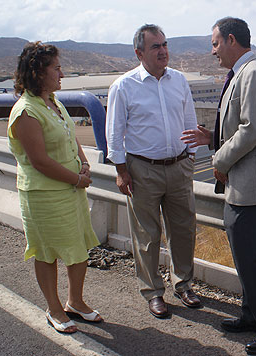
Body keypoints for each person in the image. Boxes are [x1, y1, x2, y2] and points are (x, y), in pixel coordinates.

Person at [181, 17, 256, 355]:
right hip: (246, 183)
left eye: (215, 43)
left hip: (253, 184)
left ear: (231, 40)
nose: (212, 51)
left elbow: (252, 129)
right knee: (252, 255)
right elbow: (238, 126)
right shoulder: (242, 73)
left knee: (248, 258)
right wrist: (213, 139)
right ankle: (252, 314)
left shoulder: (254, 72)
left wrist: (219, 160)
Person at [105, 24, 200, 319]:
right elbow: (114, 132)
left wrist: (190, 156)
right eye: (155, 46)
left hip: (178, 167)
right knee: (147, 235)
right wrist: (121, 170)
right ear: (139, 52)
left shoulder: (179, 80)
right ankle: (152, 291)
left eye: (165, 44)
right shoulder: (124, 86)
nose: (163, 51)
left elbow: (189, 118)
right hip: (142, 170)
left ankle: (183, 284)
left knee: (183, 230)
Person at [7, 42, 101, 334]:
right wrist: (76, 179)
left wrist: (84, 164)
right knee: (47, 252)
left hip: (71, 191)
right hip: (44, 195)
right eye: (56, 68)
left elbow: (70, 138)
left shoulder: (54, 102)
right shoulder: (26, 111)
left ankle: (76, 301)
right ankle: (54, 308)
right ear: (38, 72)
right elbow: (40, 161)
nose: (62, 73)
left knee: (78, 247)